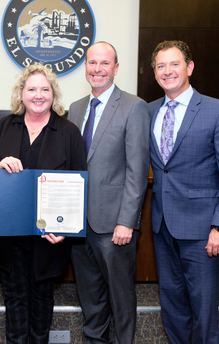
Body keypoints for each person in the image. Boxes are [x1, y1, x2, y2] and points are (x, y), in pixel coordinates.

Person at [0, 63, 87, 344]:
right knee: (14, 301)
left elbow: (80, 184)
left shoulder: (69, 132)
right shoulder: (4, 127)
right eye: (32, 89)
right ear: (21, 94)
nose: (39, 95)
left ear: (54, 94)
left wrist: (68, 228)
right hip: (9, 236)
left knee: (41, 303)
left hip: (48, 239)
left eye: (45, 89)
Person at [148, 40, 219, 343]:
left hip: (203, 231)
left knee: (203, 312)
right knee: (173, 308)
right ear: (154, 73)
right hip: (163, 227)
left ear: (189, 68)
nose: (167, 71)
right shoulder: (148, 111)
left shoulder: (218, 111)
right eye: (161, 66)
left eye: (174, 64)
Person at [68, 41, 151, 344]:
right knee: (91, 301)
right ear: (85, 67)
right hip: (79, 227)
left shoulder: (134, 107)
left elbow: (137, 170)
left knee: (121, 300)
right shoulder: (76, 109)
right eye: (92, 63)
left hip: (115, 226)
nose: (98, 69)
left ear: (116, 68)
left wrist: (127, 221)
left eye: (105, 64)